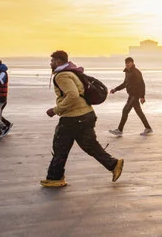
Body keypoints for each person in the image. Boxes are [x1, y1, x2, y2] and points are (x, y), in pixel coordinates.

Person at [40, 51, 123, 188]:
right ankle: (114, 164)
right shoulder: (71, 72)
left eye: (52, 61)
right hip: (86, 114)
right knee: (90, 145)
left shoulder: (62, 76)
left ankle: (55, 178)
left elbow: (73, 95)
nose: (50, 63)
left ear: (59, 61)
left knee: (61, 147)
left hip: (73, 118)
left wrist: (55, 110)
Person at [108, 57, 153, 137]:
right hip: (131, 95)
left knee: (125, 111)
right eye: (126, 63)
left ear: (132, 63)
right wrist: (115, 89)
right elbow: (125, 83)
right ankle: (148, 128)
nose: (127, 64)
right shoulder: (127, 72)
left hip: (135, 95)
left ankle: (119, 130)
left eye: (129, 63)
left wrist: (142, 96)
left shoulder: (136, 72)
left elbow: (142, 84)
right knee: (139, 112)